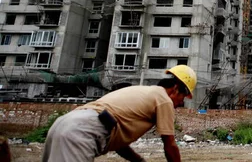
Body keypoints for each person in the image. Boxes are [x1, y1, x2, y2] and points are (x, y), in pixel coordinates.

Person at [42, 64, 197, 162]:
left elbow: (118, 142)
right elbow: (169, 145)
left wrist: (139, 160)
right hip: (83, 131)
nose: (180, 104)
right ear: (176, 88)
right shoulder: (164, 100)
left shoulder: (144, 92)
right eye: (182, 97)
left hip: (65, 124)